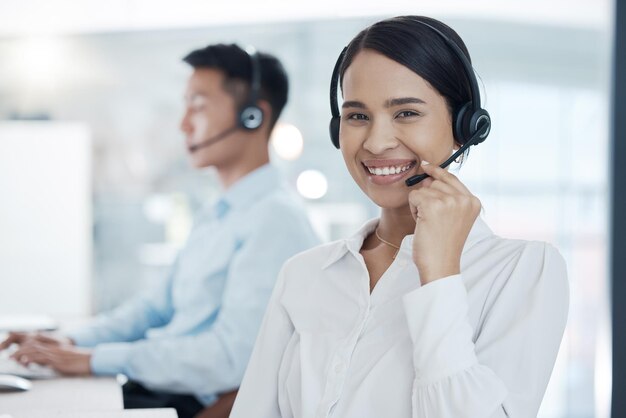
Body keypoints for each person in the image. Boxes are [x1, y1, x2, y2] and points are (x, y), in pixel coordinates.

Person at [230, 16, 569, 418]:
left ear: (466, 126)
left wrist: (439, 275)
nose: (375, 142)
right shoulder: (304, 275)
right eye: (357, 116)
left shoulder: (522, 271)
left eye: (406, 113)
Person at [0, 43, 319, 418]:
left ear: (252, 116)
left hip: (185, 403)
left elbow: (230, 358)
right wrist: (69, 341)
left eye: (197, 106)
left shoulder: (275, 221)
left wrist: (93, 359)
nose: (183, 124)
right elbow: (154, 308)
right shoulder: (219, 213)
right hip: (156, 388)